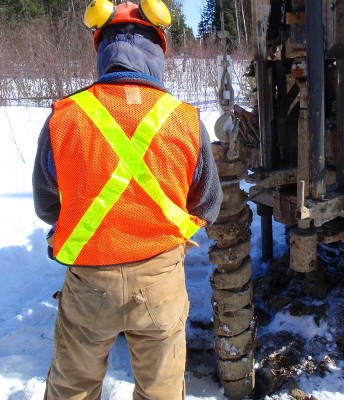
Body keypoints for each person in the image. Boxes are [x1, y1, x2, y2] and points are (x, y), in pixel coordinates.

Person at [32, 1, 222, 399]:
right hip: (161, 281)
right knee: (162, 390)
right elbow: (208, 205)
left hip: (88, 283)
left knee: (72, 389)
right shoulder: (186, 121)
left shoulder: (63, 118)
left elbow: (48, 205)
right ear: (158, 51)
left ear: (102, 51)